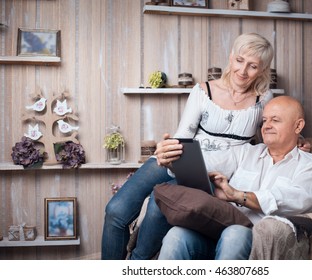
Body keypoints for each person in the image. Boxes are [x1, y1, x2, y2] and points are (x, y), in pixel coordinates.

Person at [101, 33, 277, 260]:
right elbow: (183, 134)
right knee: (115, 211)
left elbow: (274, 129)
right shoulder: (203, 90)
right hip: (182, 157)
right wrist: (166, 150)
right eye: (240, 60)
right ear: (231, 57)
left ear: (262, 69)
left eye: (253, 66)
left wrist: (297, 138)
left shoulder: (264, 98)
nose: (243, 71)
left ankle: (138, 263)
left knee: (159, 203)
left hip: (209, 176)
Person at [156, 96, 312, 260]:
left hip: (261, 241)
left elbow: (289, 201)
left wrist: (237, 195)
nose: (266, 126)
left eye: (275, 120)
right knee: (176, 235)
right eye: (264, 120)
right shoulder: (246, 152)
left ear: (298, 127)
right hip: (218, 229)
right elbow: (207, 164)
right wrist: (174, 159)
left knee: (235, 235)